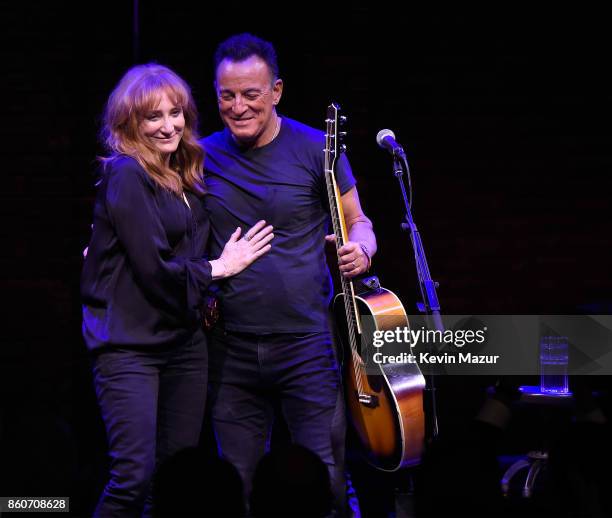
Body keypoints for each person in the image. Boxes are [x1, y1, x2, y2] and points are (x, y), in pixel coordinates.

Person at [81, 63, 273, 517]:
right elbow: (155, 269)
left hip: (184, 343)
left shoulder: (183, 172)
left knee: (173, 479)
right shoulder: (128, 174)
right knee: (133, 476)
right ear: (130, 123)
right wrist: (219, 267)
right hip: (130, 345)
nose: (168, 126)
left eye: (176, 113)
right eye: (153, 117)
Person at [202, 33, 377, 515]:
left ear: (276, 91)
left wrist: (362, 249)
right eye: (227, 95)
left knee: (326, 477)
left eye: (250, 94)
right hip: (231, 349)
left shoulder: (317, 150)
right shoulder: (202, 156)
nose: (238, 107)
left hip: (306, 346)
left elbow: (359, 221)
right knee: (235, 484)